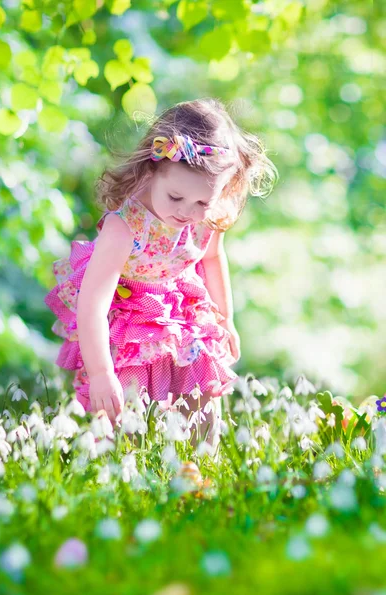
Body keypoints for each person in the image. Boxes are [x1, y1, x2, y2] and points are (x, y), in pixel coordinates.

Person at [44, 98, 277, 450]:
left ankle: (199, 469)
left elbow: (213, 259)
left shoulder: (209, 217)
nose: (187, 212)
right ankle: (128, 471)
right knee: (130, 407)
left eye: (202, 202)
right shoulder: (125, 228)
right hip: (128, 316)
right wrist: (101, 374)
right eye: (176, 197)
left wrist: (225, 318)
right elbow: (91, 307)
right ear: (152, 171)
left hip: (180, 308)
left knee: (202, 389)